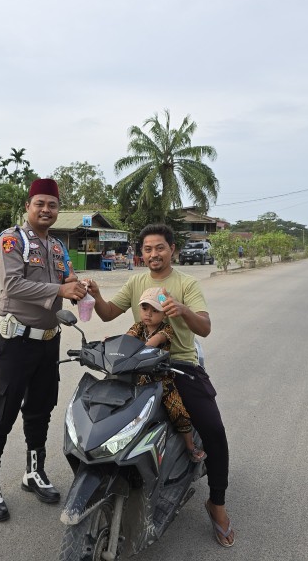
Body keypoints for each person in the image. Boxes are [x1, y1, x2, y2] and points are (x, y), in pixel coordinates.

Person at [86, 223, 235, 548]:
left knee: (213, 428)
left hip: (178, 364)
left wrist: (182, 310)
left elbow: (205, 327)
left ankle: (217, 504)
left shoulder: (186, 282)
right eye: (148, 249)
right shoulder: (137, 281)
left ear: (172, 250)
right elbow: (111, 313)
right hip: (136, 364)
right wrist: (97, 297)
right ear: (142, 253)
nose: (154, 254)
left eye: (160, 248)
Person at [0, 178, 88, 522]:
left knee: (41, 408)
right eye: (40, 203)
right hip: (15, 341)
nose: (46, 210)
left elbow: (67, 283)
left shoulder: (57, 247)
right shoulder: (11, 240)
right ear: (28, 206)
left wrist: (80, 286)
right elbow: (12, 284)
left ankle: (33, 472)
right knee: (3, 411)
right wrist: (61, 288)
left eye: (52, 205)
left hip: (48, 340)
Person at [127, 287, 206, 462]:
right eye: (145, 308)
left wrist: (132, 348)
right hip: (138, 376)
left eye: (155, 310)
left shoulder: (166, 330)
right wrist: (111, 343)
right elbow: (127, 340)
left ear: (164, 314)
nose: (148, 314)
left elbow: (151, 344)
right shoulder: (138, 327)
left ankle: (190, 446)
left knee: (176, 409)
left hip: (159, 379)